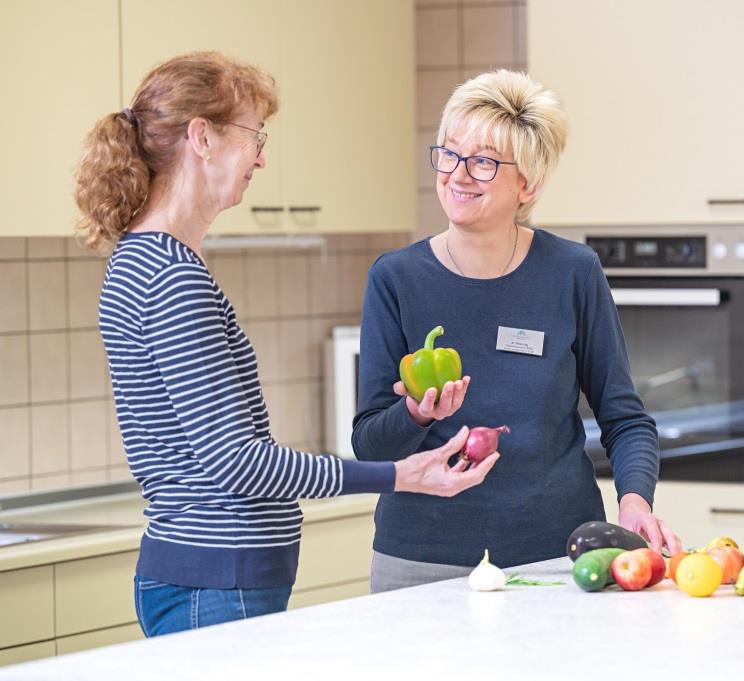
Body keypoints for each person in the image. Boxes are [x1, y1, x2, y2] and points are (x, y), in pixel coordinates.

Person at [73, 51, 497, 636]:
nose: (262, 156)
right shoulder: (170, 275)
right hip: (216, 579)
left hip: (212, 574)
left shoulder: (148, 260)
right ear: (202, 137)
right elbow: (238, 462)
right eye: (254, 135)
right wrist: (400, 475)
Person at [353, 69, 682, 593]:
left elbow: (625, 417)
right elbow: (369, 445)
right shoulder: (395, 278)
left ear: (527, 183)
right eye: (449, 153)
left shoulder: (573, 272)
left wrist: (635, 500)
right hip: (420, 561)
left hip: (557, 557)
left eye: (483, 161)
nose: (458, 175)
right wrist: (416, 413)